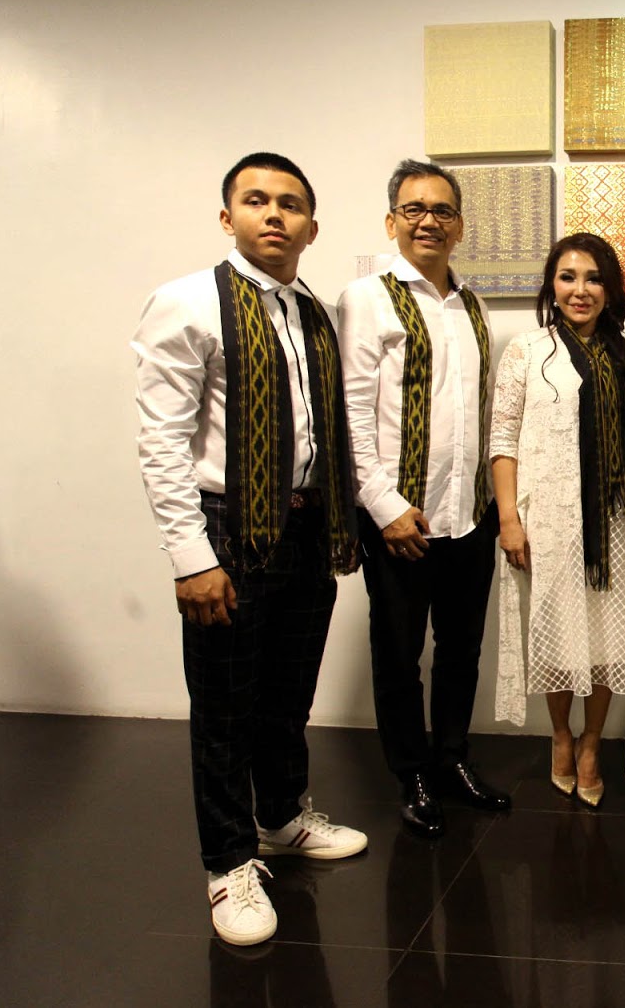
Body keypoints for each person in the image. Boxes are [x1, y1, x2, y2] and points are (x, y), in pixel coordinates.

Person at [132, 152, 368, 947]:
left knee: (288, 695)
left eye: (290, 204)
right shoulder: (189, 302)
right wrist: (191, 558)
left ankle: (281, 819)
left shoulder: (312, 311)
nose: (275, 214)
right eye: (257, 200)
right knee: (225, 709)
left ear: (311, 226)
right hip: (228, 529)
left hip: (306, 525)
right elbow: (162, 441)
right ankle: (228, 863)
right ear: (227, 216)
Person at [338, 159, 511, 839]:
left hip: (468, 517)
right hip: (400, 519)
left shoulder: (473, 306)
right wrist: (383, 507)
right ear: (392, 222)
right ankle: (410, 773)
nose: (428, 221)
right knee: (398, 656)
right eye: (414, 209)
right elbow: (352, 413)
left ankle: (453, 759)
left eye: (442, 210)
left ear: (459, 226)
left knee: (462, 651)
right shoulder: (367, 298)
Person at [489, 233, 625, 808]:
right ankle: (559, 735)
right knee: (556, 635)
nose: (581, 289)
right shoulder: (527, 350)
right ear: (551, 286)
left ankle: (592, 743)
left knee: (606, 636)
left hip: (614, 518)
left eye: (594, 278)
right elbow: (503, 438)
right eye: (568, 277)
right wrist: (509, 518)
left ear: (610, 289)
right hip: (548, 520)